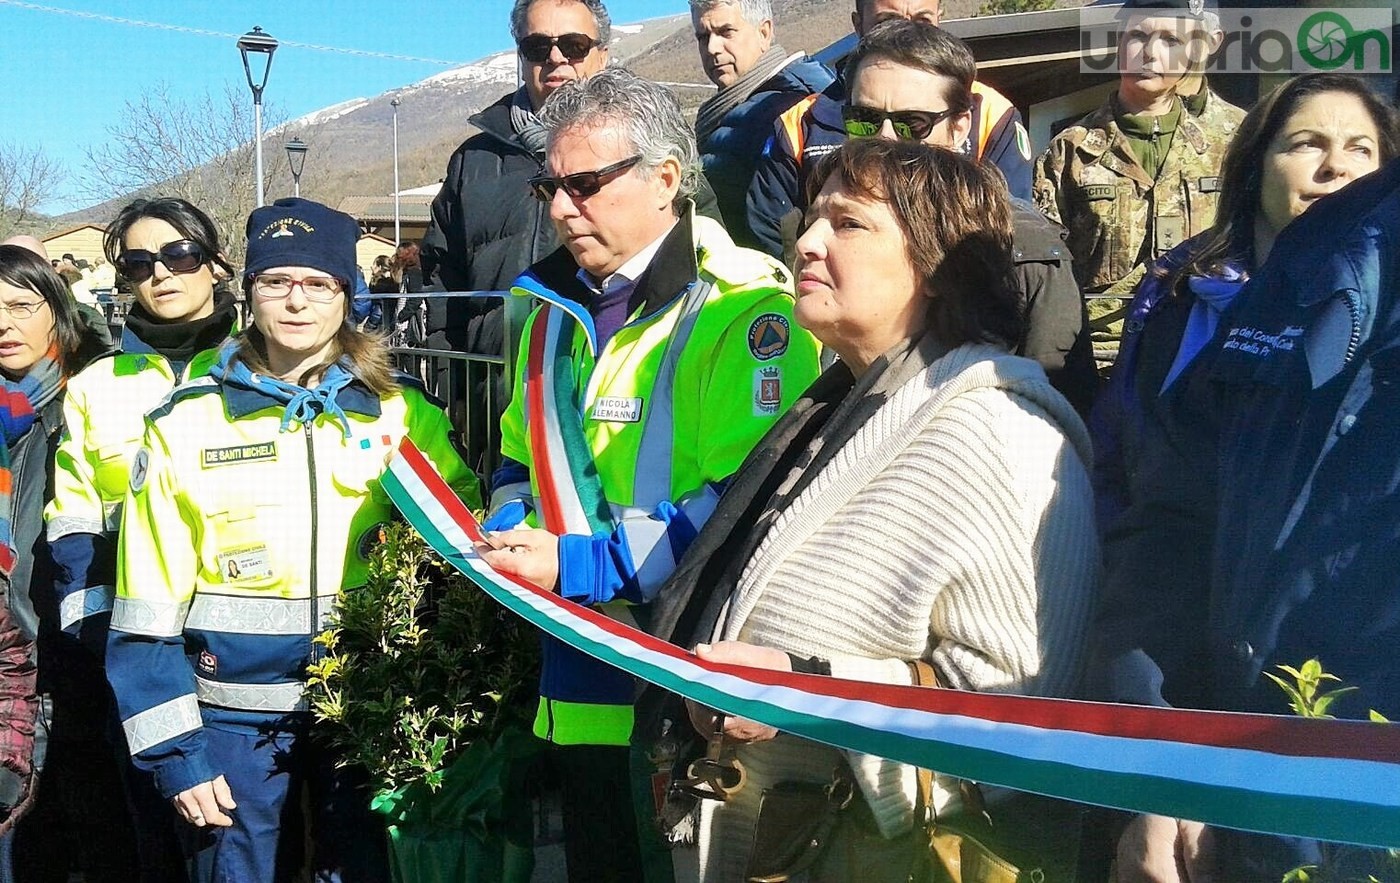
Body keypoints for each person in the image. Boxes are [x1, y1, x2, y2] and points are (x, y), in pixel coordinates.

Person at [638, 137, 1097, 882]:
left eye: (848, 224)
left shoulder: (999, 434)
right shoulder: (842, 409)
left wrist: (804, 684)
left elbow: (1019, 708)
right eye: (811, 218)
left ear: (937, 261)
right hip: (782, 841)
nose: (807, 242)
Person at [477, 67, 821, 881]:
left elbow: (748, 504)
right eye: (549, 187)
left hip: (679, 674)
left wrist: (573, 563)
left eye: (587, 184)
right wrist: (508, 520)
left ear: (667, 178)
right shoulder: (546, 307)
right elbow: (516, 455)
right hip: (574, 659)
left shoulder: (746, 308)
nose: (562, 209)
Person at [104, 198, 481, 883]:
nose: (297, 302)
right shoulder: (186, 424)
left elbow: (465, 552)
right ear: (249, 293)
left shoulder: (402, 414)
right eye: (277, 282)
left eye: (318, 282)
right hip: (229, 727)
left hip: (367, 714)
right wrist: (177, 754)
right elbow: (144, 609)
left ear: (347, 294)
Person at [1092, 75, 1400, 883]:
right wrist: (1164, 767)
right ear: (1255, 166)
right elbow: (1160, 526)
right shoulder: (1227, 332)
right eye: (1307, 143)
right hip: (1266, 786)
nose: (1336, 167)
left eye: (1360, 149)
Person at [825, 18, 1098, 413]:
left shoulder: (1018, 248)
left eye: (911, 124)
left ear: (959, 126)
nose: (884, 139)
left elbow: (1057, 407)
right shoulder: (828, 232)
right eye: (864, 121)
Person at [745, 0, 1034, 258]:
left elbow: (1010, 234)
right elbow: (771, 242)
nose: (905, 33)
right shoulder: (800, 122)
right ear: (858, 24)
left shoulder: (990, 112)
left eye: (915, 123)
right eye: (863, 119)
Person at [0, 245, 109, 879]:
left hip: (65, 651)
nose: (4, 324)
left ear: (56, 312)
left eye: (21, 305)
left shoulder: (86, 404)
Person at [1034, 0, 1244, 308]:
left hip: (1199, 337)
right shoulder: (1070, 150)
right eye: (1137, 36)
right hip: (1102, 347)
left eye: (1171, 40)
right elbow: (1045, 272)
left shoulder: (1233, 142)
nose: (1149, 53)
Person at [690, 0, 833, 246]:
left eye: (726, 32)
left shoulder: (794, 109)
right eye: (703, 37)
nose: (713, 48)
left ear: (764, 33)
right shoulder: (726, 115)